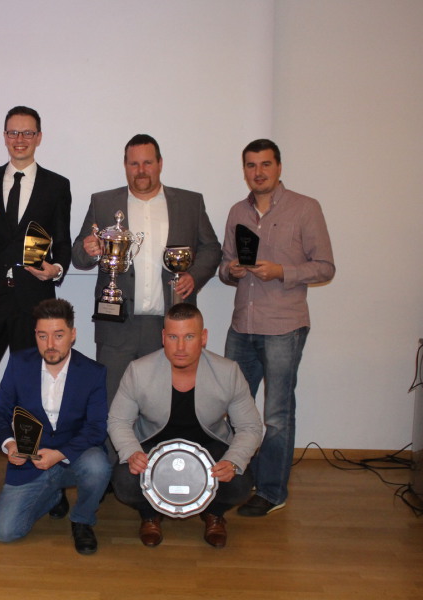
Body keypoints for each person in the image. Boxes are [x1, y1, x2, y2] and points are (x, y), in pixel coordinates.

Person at [219, 138, 335, 517]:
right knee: (235, 409)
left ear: (279, 167)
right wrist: (231, 270)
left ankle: (272, 491)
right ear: (244, 170)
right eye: (251, 165)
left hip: (284, 326)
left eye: (265, 164)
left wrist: (282, 271)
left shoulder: (305, 208)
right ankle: (240, 481)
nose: (258, 172)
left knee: (277, 415)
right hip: (242, 325)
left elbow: (325, 267)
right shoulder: (237, 211)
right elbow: (225, 266)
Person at [72, 134, 221, 413]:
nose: (141, 170)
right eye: (134, 164)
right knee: (113, 406)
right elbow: (79, 256)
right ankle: (114, 445)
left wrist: (194, 276)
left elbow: (212, 248)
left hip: (169, 327)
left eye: (147, 163)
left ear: (160, 163)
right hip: (116, 326)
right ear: (125, 165)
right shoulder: (103, 203)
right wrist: (89, 249)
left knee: (164, 407)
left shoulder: (190, 203)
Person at [108, 303, 262, 548]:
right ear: (163, 337)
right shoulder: (139, 371)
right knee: (124, 481)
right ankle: (150, 514)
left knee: (240, 483)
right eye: (173, 337)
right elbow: (118, 420)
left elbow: (250, 427)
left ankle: (214, 513)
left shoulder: (228, 372)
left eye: (189, 337)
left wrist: (233, 460)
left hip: (209, 445)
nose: (180, 347)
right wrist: (131, 452)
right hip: (153, 444)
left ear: (203, 337)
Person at [0, 106, 72, 396]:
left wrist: (56, 270)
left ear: (39, 137)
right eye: (13, 132)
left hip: (34, 298)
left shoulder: (57, 185)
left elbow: (62, 241)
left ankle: (25, 430)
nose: (19, 139)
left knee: (30, 383)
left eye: (27, 133)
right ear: (4, 136)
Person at [0, 299, 111, 555]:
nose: (50, 344)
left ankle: (82, 520)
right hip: (31, 460)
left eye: (59, 335)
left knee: (98, 466)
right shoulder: (19, 364)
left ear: (73, 334)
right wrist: (9, 444)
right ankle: (54, 495)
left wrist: (60, 454)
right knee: (5, 532)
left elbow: (96, 428)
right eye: (42, 336)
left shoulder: (93, 372)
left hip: (74, 457)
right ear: (35, 334)